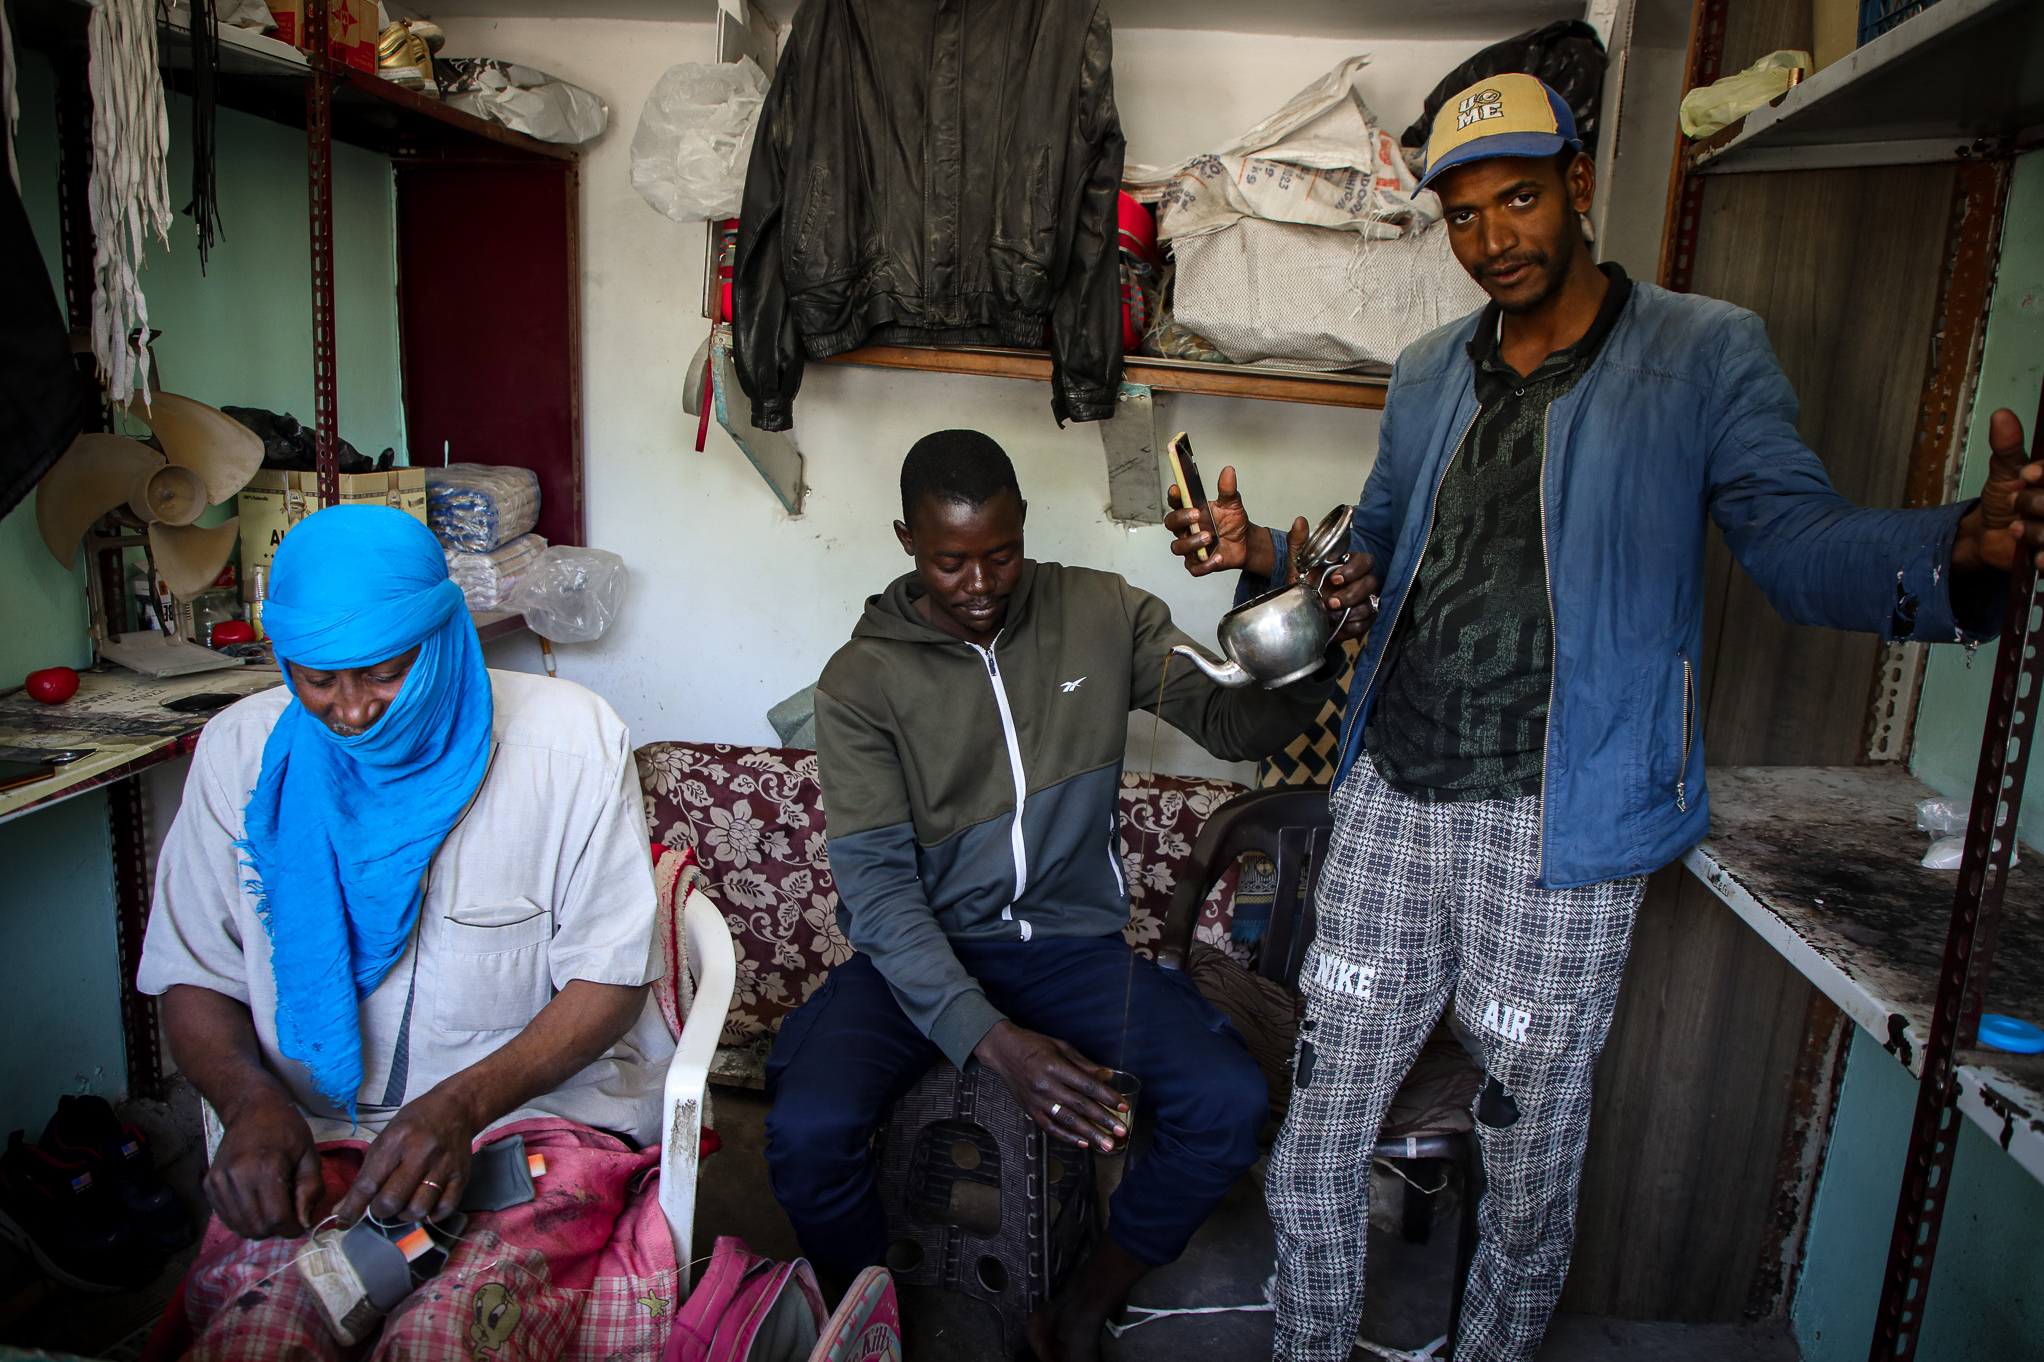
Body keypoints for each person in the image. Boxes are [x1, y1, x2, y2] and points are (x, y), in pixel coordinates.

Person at [1161, 74, 2038, 1362]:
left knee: (1523, 1160)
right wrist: (1272, 557)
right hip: (1394, 795)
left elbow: (1794, 545)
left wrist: (1956, 549)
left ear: (1578, 183)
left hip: (1558, 827)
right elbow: (1383, 552)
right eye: (1462, 215)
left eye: (1517, 199)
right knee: (1320, 1130)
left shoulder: (1701, 353)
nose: (1491, 240)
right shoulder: (1429, 371)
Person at [766, 430, 1338, 1361]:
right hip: (922, 959)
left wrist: (1307, 640)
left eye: (1001, 555)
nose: (980, 585)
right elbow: (879, 892)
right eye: (950, 562)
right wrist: (997, 1043)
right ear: (907, 541)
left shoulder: (1103, 613)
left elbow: (1236, 725)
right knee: (807, 1131)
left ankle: (1082, 1307)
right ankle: (874, 1322)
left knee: (1227, 1103)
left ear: (1024, 524)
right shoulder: (862, 682)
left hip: (1071, 952)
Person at [137, 506, 678, 1360]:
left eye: (386, 674)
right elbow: (195, 972)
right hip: (313, 1131)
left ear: (444, 636)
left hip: (528, 1122)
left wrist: (462, 1104)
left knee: (444, 1337)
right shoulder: (240, 755)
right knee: (261, 1335)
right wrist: (250, 1103)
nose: (353, 711)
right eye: (318, 680)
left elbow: (608, 980)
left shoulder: (569, 745)